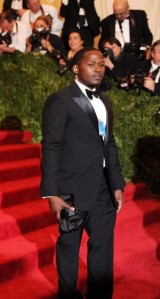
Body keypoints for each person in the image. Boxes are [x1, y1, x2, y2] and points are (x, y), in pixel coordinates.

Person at [41, 47, 126, 299]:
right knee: (69, 248)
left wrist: (117, 184)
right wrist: (52, 193)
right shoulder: (60, 100)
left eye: (101, 64)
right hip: (71, 190)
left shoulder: (106, 101)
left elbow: (109, 144)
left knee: (102, 249)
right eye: (92, 64)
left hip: (103, 189)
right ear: (76, 68)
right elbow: (51, 146)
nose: (98, 69)